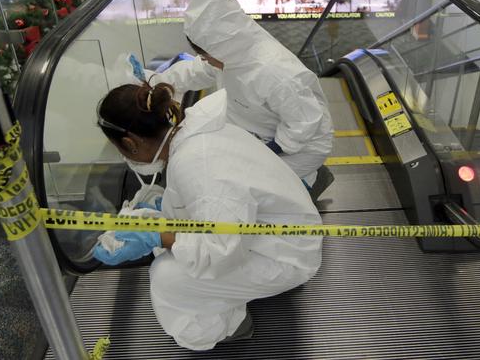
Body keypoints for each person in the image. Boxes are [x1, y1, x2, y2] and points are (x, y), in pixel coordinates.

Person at [93, 81, 323, 350]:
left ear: (130, 143)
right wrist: (162, 215)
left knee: (167, 279)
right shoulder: (194, 133)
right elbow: (214, 207)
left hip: (286, 256)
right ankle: (226, 297)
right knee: (173, 254)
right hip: (272, 233)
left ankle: (230, 327)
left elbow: (220, 252)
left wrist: (155, 235)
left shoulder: (198, 164)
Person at [146, 0, 333, 190]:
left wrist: (274, 149)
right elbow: (196, 71)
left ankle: (308, 182)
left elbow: (304, 123)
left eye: (205, 55)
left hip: (304, 145)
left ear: (221, 47)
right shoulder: (230, 53)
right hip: (265, 126)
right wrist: (153, 80)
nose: (204, 60)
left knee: (250, 184)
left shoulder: (275, 72)